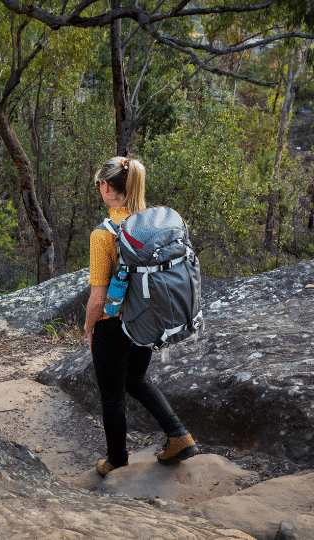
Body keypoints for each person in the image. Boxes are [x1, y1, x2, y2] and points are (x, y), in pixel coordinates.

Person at [84, 156, 198, 477]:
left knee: (112, 394)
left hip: (114, 326)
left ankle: (117, 461)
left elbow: (97, 298)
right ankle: (179, 435)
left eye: (98, 186)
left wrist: (89, 327)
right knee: (135, 379)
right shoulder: (158, 223)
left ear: (106, 187)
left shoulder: (103, 234)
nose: (99, 191)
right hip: (147, 319)